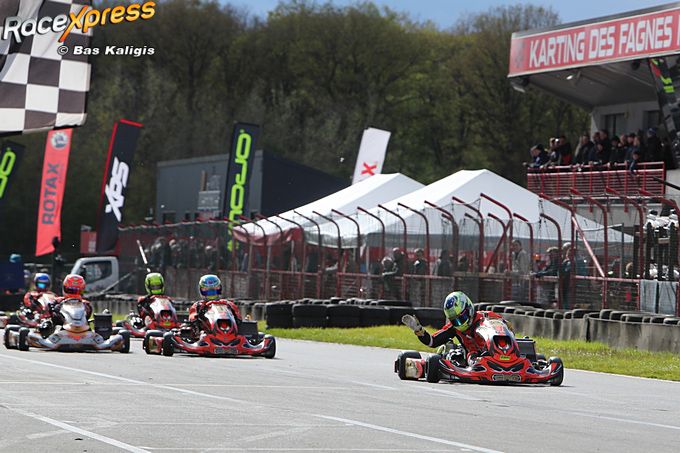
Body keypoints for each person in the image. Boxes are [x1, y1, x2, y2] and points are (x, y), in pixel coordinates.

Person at [401, 291, 511, 365]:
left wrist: (505, 325)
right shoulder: (454, 328)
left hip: (504, 353)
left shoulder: (488, 316)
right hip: (475, 360)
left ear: (468, 308)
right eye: (455, 320)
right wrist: (419, 330)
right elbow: (432, 341)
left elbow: (509, 330)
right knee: (453, 356)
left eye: (461, 318)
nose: (459, 323)